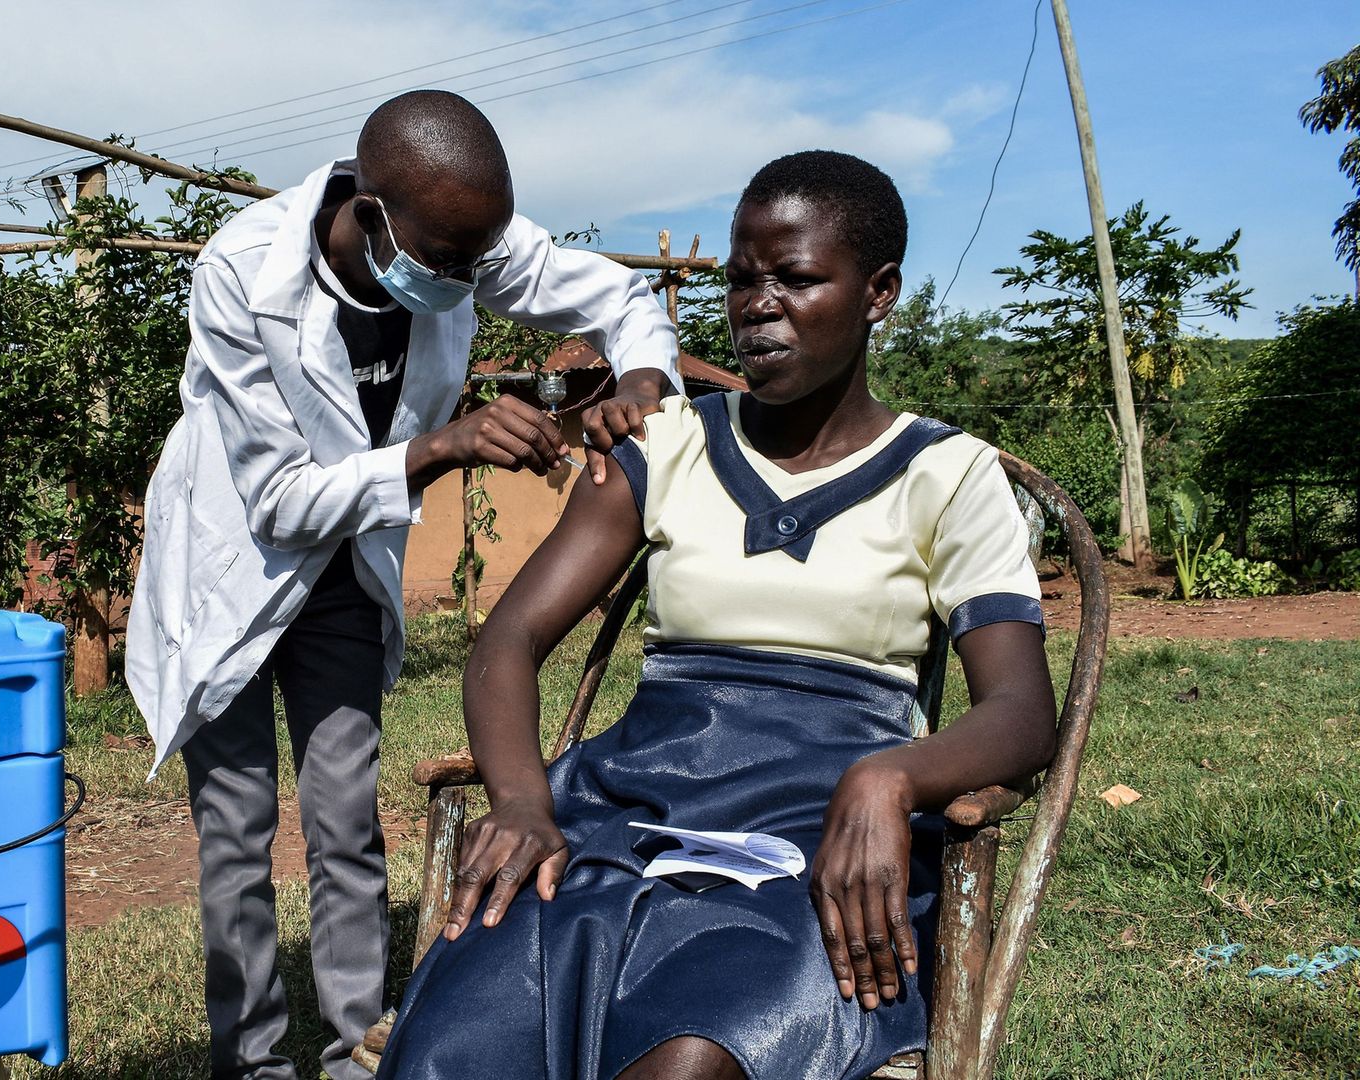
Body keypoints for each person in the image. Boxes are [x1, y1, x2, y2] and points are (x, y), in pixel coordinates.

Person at [375, 150, 1058, 1080]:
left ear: (879, 291)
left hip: (816, 840)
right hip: (633, 807)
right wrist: (525, 800)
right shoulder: (664, 446)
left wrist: (890, 779)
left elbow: (1021, 711)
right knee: (465, 1037)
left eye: (796, 278)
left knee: (692, 1057)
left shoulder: (950, 475)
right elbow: (511, 637)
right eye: (741, 281)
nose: (756, 305)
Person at [125, 89, 684, 1080]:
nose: (471, 281)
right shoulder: (242, 273)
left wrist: (642, 374)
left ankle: (356, 1046)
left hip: (346, 570)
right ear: (372, 217)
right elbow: (280, 499)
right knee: (238, 832)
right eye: (452, 265)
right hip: (236, 571)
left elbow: (619, 301)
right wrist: (445, 444)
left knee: (344, 818)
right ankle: (251, 1061)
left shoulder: (462, 238)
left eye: (482, 262)